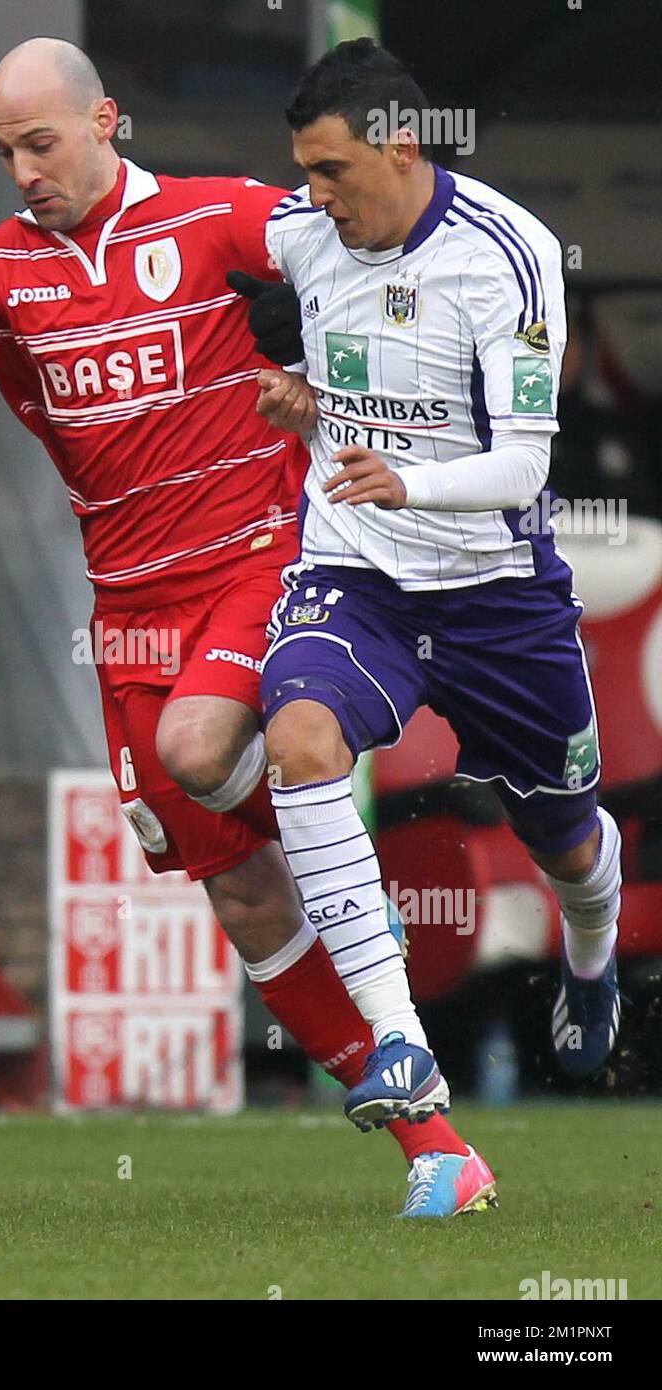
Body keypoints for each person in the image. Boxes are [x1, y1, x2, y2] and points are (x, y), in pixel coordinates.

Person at [0, 37, 495, 1217]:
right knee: (241, 896)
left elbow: (378, 243)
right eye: (3, 152)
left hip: (262, 561)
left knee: (194, 754)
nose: (23, 170)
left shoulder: (225, 219)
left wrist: (324, 350)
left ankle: (337, 853)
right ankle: (435, 1145)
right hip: (128, 615)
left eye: (42, 142)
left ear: (105, 118)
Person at [229, 38, 620, 1125]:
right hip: (356, 572)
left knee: (568, 840)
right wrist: (303, 405)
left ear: (400, 148)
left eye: (331, 172)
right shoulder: (310, 238)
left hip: (496, 592)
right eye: (302, 172)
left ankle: (592, 960)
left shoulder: (507, 250)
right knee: (300, 738)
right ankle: (398, 1040)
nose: (313, 198)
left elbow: (526, 466)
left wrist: (408, 480)